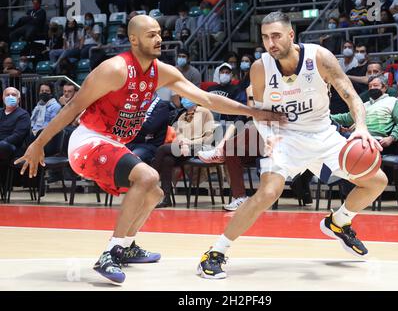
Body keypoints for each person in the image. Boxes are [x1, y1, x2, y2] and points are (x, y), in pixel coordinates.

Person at [15, 15, 283, 284]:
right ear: (133, 40)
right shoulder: (114, 69)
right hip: (88, 141)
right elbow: (73, 108)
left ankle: (128, 244)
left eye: (159, 33)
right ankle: (111, 252)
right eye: (151, 35)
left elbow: (206, 99)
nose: (159, 39)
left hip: (113, 144)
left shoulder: (160, 71)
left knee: (154, 192)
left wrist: (253, 112)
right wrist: (38, 144)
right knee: (148, 176)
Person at [197, 11, 388, 279]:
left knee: (377, 181)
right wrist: (268, 135)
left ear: (290, 35)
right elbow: (259, 110)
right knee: (267, 193)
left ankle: (339, 221)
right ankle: (216, 252)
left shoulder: (319, 57)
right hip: (284, 138)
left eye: (276, 36)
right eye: (265, 37)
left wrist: (361, 128)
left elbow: (351, 95)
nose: (270, 43)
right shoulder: (260, 67)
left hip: (323, 134)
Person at [152, 98, 215, 207]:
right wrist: (183, 142)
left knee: (162, 149)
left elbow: (209, 137)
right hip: (183, 148)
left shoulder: (205, 112)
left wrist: (190, 142)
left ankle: (149, 182)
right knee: (167, 160)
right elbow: (178, 134)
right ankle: (166, 199)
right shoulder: (182, 115)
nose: (184, 99)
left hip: (200, 147)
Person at [332, 75, 398, 151]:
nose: (372, 88)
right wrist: (326, 116)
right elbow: (346, 118)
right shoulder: (364, 105)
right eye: (370, 86)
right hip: (356, 136)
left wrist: (392, 137)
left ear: (384, 88)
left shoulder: (392, 101)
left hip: (374, 139)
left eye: (375, 85)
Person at [0, 87, 31, 165]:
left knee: (2, 145)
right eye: (7, 95)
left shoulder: (23, 115)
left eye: (13, 95)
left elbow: (17, 136)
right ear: (3, 98)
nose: (10, 97)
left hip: (13, 147)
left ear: (18, 99)